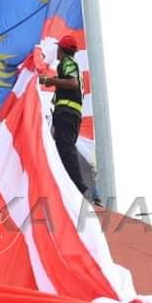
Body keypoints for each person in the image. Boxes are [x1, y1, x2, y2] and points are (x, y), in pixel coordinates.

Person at [40, 34, 97, 204]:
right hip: (70, 114)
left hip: (67, 113)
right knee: (64, 148)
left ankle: (79, 187)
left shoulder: (68, 63)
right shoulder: (70, 65)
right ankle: (72, 184)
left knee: (66, 148)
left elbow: (72, 83)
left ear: (61, 50)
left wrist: (49, 80)